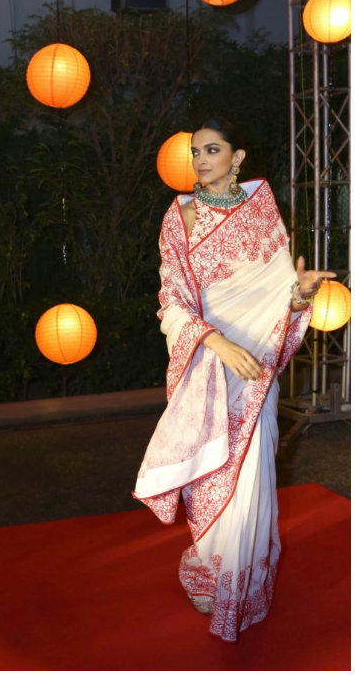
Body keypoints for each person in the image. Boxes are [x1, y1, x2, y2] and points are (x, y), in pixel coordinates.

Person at [133, 118, 333, 641]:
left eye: (212, 150)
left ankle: (243, 584)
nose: (201, 160)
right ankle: (208, 569)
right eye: (195, 152)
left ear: (237, 157)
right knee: (212, 475)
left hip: (257, 362)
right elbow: (172, 300)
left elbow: (281, 295)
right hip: (209, 361)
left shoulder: (261, 207)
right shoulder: (180, 215)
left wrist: (301, 294)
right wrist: (216, 343)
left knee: (253, 471)